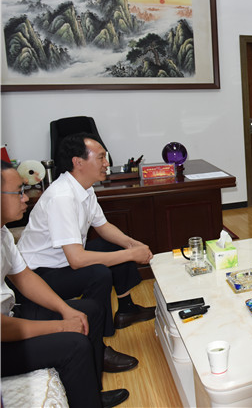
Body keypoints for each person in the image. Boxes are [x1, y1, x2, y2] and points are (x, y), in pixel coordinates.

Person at [1, 161, 131, 408]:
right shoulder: (61, 195)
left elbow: (24, 277)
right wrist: (61, 326)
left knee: (89, 310)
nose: (25, 198)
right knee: (74, 344)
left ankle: (91, 393)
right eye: (17, 192)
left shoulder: (3, 233)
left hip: (11, 314)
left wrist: (65, 309)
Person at [16, 133, 155, 338]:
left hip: (62, 260)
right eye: (101, 157)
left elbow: (103, 226)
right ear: (78, 162)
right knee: (98, 274)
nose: (107, 163)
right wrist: (131, 255)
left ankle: (127, 310)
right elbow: (77, 260)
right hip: (38, 275)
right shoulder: (62, 197)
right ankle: (98, 340)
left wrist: (132, 244)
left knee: (116, 246)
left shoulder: (85, 189)